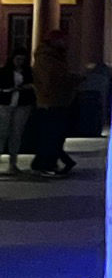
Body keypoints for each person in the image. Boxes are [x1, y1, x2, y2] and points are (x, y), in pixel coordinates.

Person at [29, 33, 76, 177]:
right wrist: (72, 80)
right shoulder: (47, 58)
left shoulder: (55, 57)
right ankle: (45, 164)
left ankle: (48, 162)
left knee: (55, 135)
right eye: (62, 40)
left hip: (58, 101)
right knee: (51, 135)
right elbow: (51, 80)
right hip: (50, 102)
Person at [1, 50, 32, 175]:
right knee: (2, 133)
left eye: (22, 60)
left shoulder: (28, 72)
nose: (20, 62)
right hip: (5, 104)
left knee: (16, 134)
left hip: (21, 104)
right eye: (18, 59)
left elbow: (32, 87)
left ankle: (13, 163)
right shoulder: (4, 72)